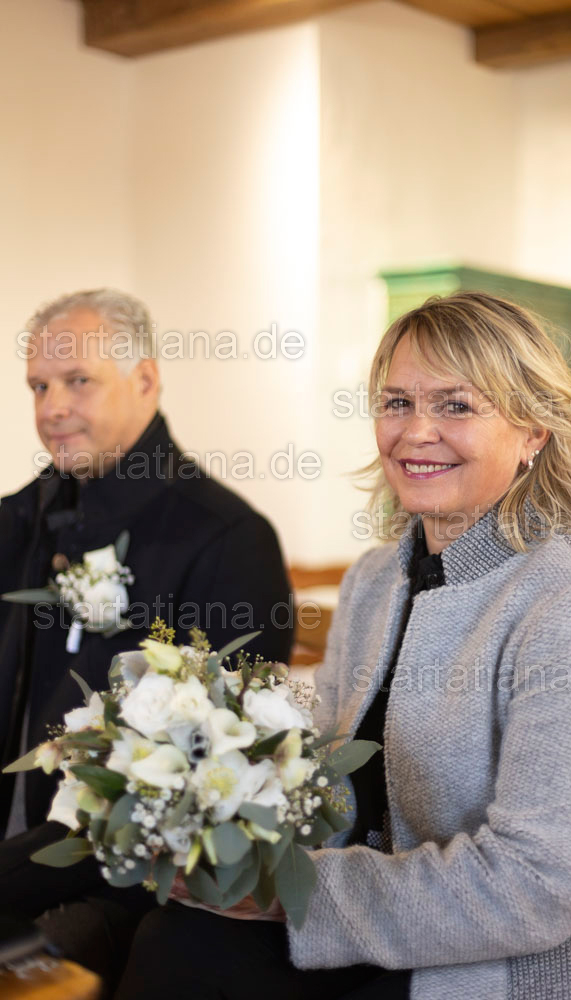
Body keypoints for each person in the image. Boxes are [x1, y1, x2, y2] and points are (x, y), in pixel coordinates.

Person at [110, 293, 571, 999]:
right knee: (173, 936)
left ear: (533, 431)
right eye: (397, 403)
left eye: (456, 406)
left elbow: (535, 888)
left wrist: (287, 889)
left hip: (537, 961)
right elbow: (326, 777)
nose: (416, 432)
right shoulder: (377, 578)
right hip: (397, 919)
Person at [0, 289, 293, 983]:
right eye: (39, 386)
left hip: (111, 887)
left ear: (145, 380)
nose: (51, 408)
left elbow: (188, 797)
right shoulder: (15, 523)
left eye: (78, 381)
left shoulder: (228, 540)